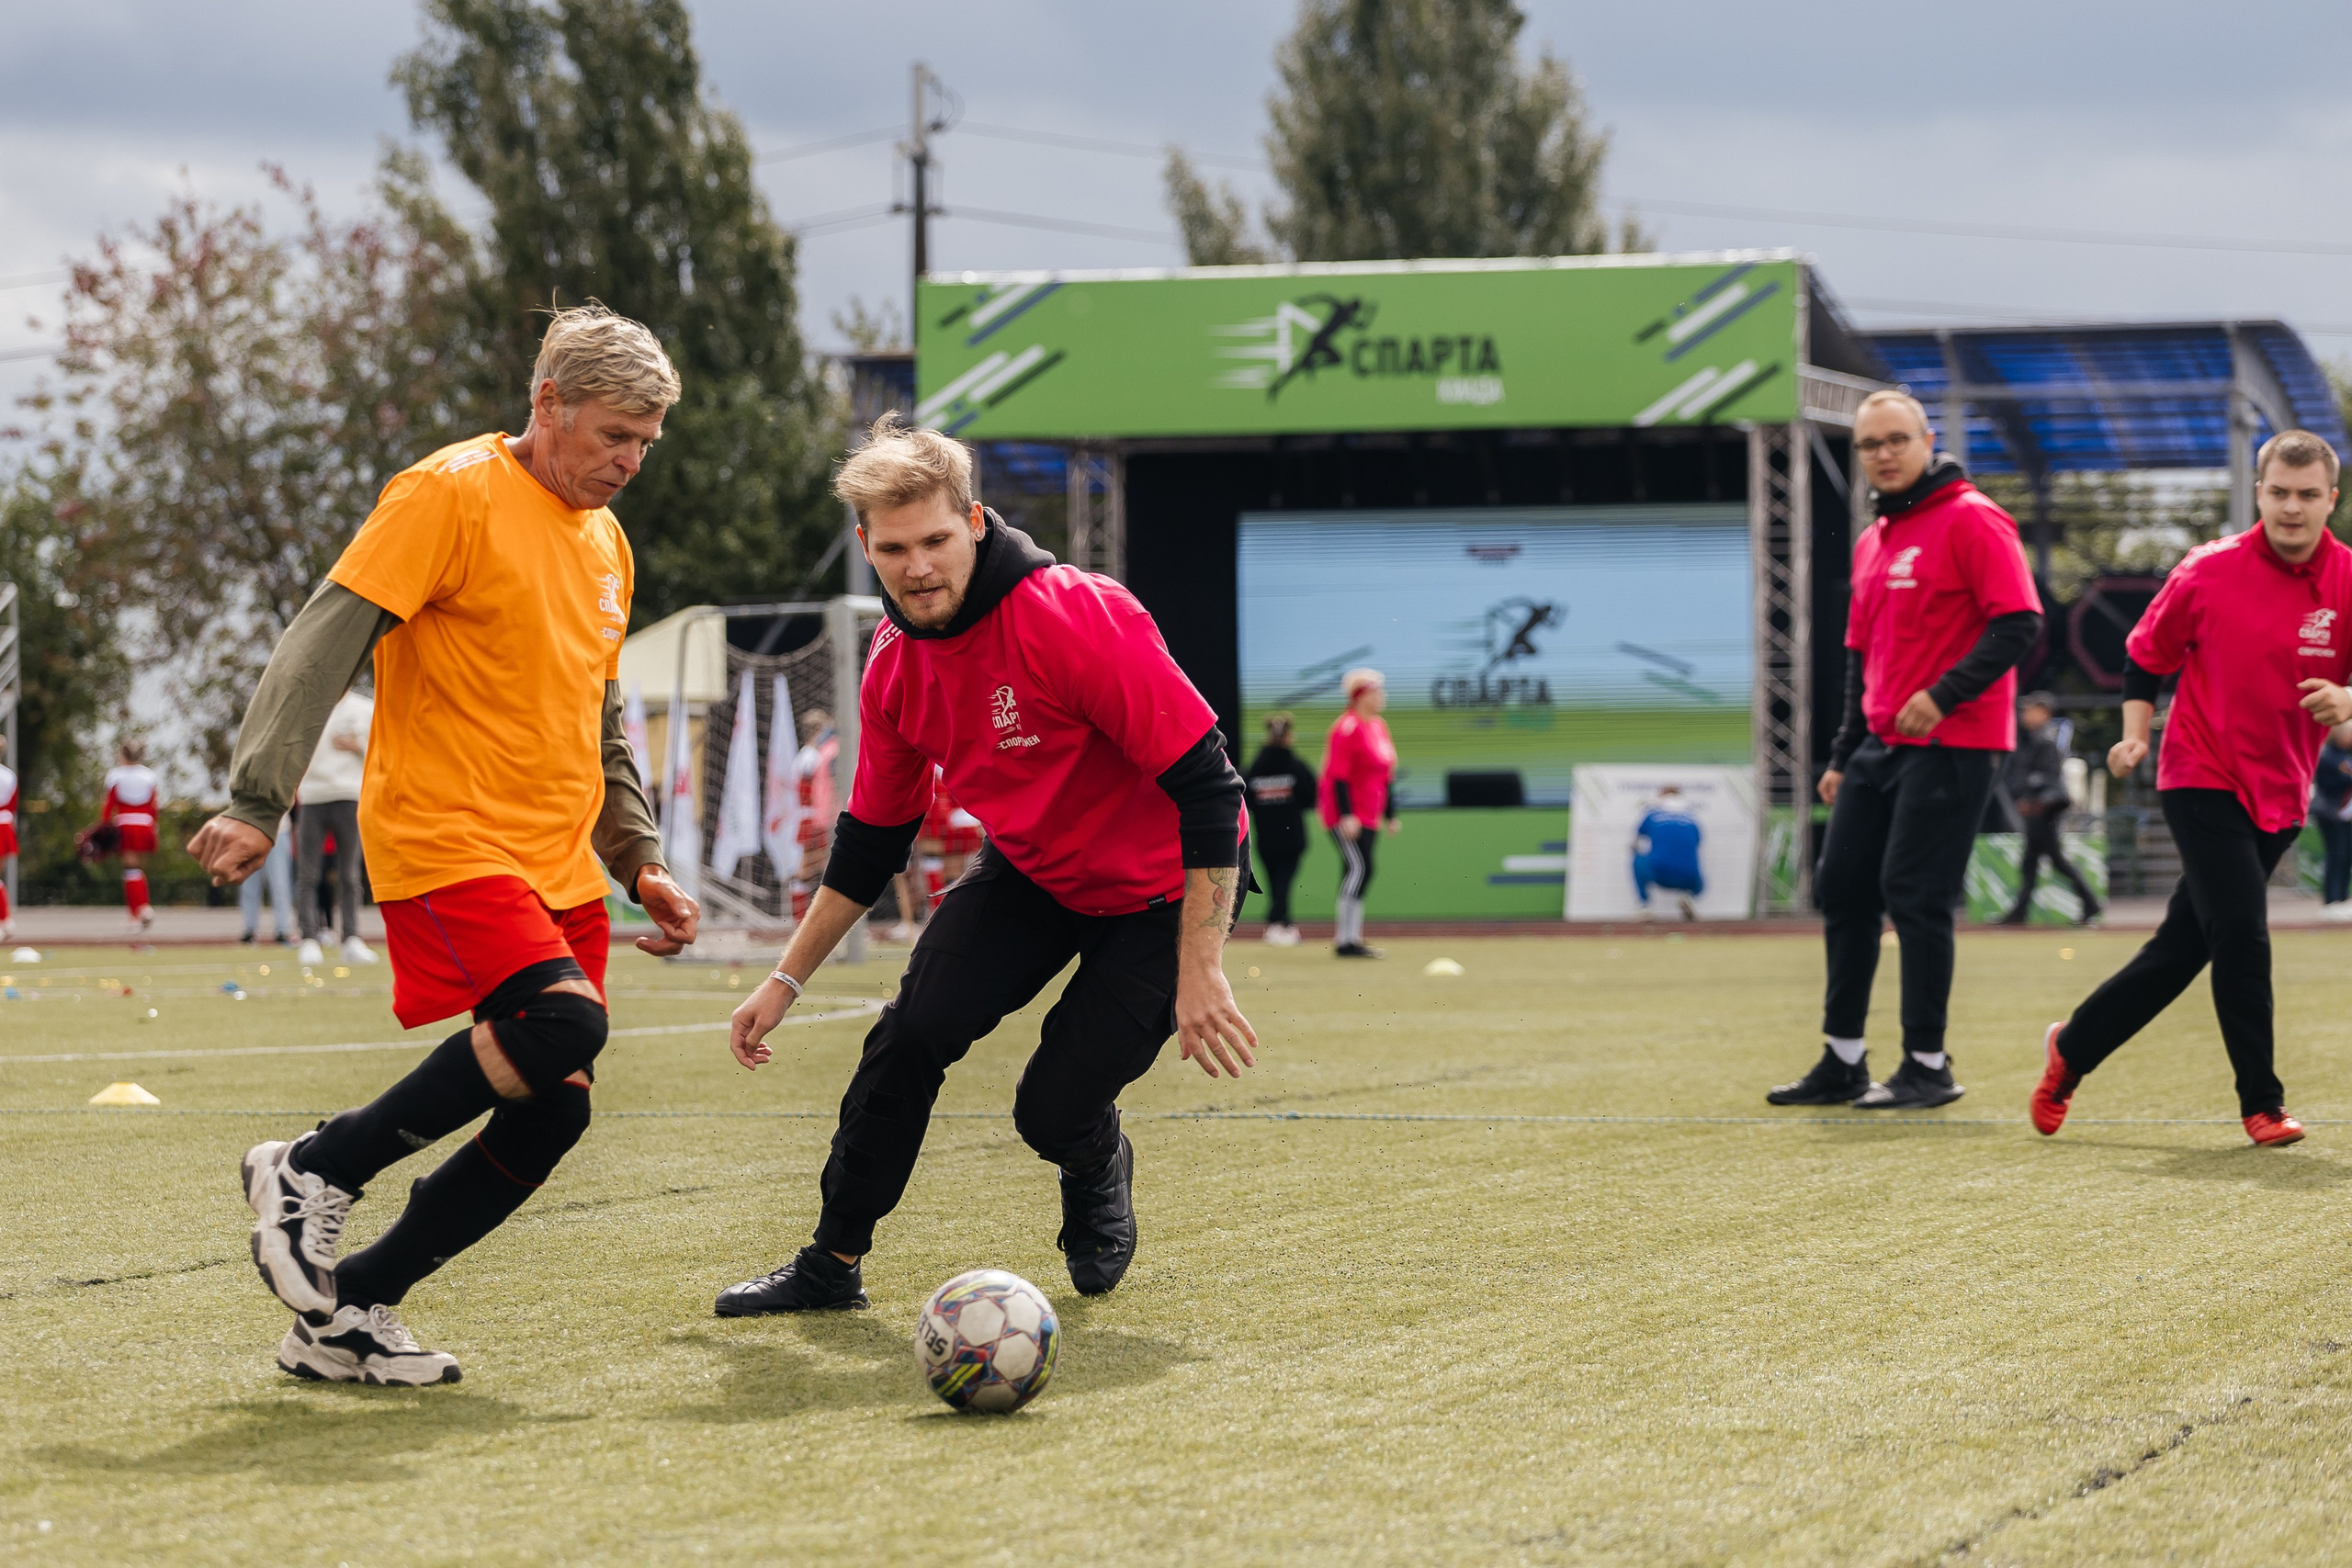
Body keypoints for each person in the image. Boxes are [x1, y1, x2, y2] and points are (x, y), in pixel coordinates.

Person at [187, 304, 702, 1385]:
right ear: (548, 402)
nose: (631, 462)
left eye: (648, 443)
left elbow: (600, 717)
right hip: (446, 831)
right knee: (561, 1021)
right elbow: (324, 637)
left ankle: (350, 1313)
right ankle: (314, 1167)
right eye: (615, 435)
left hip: (558, 862)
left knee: (556, 1108)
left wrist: (639, 857)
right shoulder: (447, 492)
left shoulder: (609, 544)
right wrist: (258, 799)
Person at [713, 415, 1256, 1314]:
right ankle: (830, 1265)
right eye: (895, 549)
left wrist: (1200, 967)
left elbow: (1210, 789)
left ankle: (1094, 1155)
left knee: (1049, 1110)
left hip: (1160, 890)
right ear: (866, 548)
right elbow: (872, 839)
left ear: (973, 522)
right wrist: (785, 978)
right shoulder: (892, 665)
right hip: (1034, 873)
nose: (918, 567)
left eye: (934, 540)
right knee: (907, 1038)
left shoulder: (1075, 615)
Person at [2032, 431, 2352, 1147]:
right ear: (2258, 492)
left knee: (2182, 948)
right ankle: (2263, 1104)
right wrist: (2135, 736)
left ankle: (2071, 1049)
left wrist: (2349, 698)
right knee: (2241, 932)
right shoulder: (2207, 570)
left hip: (2281, 792)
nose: (2292, 507)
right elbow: (2145, 658)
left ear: (2331, 499)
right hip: (2199, 773)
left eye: (2307, 495)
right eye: (2279, 492)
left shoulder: (2349, 580)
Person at [1769, 389, 2042, 1111]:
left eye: (1896, 440)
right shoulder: (1874, 538)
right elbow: (1862, 658)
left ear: (1928, 441)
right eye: (1869, 444)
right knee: (1842, 886)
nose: (1883, 455)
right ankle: (1843, 1059)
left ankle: (1927, 1063)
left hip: (1956, 739)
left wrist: (1945, 694)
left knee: (1915, 892)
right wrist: (1841, 755)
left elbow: (2019, 623)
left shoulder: (1974, 518)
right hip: (1879, 744)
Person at [1996, 692, 2101, 927]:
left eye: (2029, 710)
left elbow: (2049, 778)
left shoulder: (2045, 740)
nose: (2024, 714)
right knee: (2032, 863)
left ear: (2044, 713)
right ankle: (2020, 912)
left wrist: (2030, 797)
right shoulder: (2038, 738)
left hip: (2043, 811)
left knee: (2055, 861)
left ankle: (2090, 903)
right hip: (2040, 809)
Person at [296, 686, 377, 966]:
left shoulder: (365, 709)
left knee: (350, 874)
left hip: (350, 796)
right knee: (308, 874)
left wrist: (358, 746)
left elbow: (382, 752)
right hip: (312, 797)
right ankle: (308, 938)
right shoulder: (307, 708)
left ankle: (352, 938)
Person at [1321, 668, 1398, 958]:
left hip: (1370, 813)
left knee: (1360, 870)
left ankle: (1352, 938)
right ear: (1361, 696)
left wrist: (1390, 814)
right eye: (1376, 692)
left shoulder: (1378, 726)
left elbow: (1386, 774)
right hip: (1348, 814)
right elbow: (1338, 775)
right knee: (1360, 868)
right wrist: (1347, 815)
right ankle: (1345, 940)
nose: (1382, 697)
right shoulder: (1347, 728)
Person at [1243, 712, 1317, 945]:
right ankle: (1280, 922)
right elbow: (1312, 796)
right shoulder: (1296, 765)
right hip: (1292, 836)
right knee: (1283, 880)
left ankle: (1278, 922)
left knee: (1276, 880)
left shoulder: (1255, 767)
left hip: (1265, 837)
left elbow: (1244, 798)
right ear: (1289, 736)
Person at [100, 739, 161, 931]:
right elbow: (154, 805)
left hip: (126, 823)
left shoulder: (116, 775)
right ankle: (142, 909)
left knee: (129, 869)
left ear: (123, 754)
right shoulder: (149, 775)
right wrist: (154, 825)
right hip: (145, 824)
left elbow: (109, 804)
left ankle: (139, 911)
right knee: (138, 868)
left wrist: (104, 825)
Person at [1633, 784, 1703, 919]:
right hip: (1689, 878)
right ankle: (1689, 897)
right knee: (1699, 881)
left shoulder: (1653, 814)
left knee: (1637, 861)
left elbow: (1634, 843)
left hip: (1659, 873)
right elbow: (1698, 842)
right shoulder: (1691, 817)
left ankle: (1644, 905)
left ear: (1661, 795)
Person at [2310, 722, 2352, 919]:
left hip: (2346, 815)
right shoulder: (2328, 756)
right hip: (2331, 813)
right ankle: (2331, 899)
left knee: (2345, 857)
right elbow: (2330, 783)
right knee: (2336, 855)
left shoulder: (2345, 755)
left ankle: (2342, 898)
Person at [240, 809, 298, 947]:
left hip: (277, 832)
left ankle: (283, 930)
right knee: (248, 886)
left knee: (280, 885)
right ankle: (249, 930)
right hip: (248, 832)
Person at [0, 732, 17, 942]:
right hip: (4, 824)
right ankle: (6, 920)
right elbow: (12, 805)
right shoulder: (9, 775)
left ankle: (5, 919)